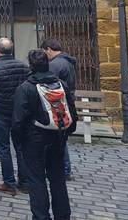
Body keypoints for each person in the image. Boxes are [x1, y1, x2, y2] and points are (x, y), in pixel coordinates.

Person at [12, 49, 77, 220]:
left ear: (31, 66)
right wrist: (66, 133)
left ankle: (41, 216)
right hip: (57, 137)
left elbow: (18, 121)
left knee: (37, 180)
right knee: (57, 179)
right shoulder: (62, 84)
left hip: (33, 140)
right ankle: (63, 215)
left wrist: (18, 142)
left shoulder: (25, 88)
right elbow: (72, 112)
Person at [0, 37, 30, 196]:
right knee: (21, 147)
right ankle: (24, 182)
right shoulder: (23, 66)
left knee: (4, 147)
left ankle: (9, 182)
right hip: (19, 112)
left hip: (1, 111)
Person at [41, 39, 77, 180]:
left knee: (57, 138)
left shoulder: (55, 64)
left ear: (49, 49)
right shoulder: (67, 61)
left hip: (58, 104)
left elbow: (49, 83)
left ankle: (63, 169)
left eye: (45, 52)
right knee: (60, 138)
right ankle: (65, 169)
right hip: (66, 101)